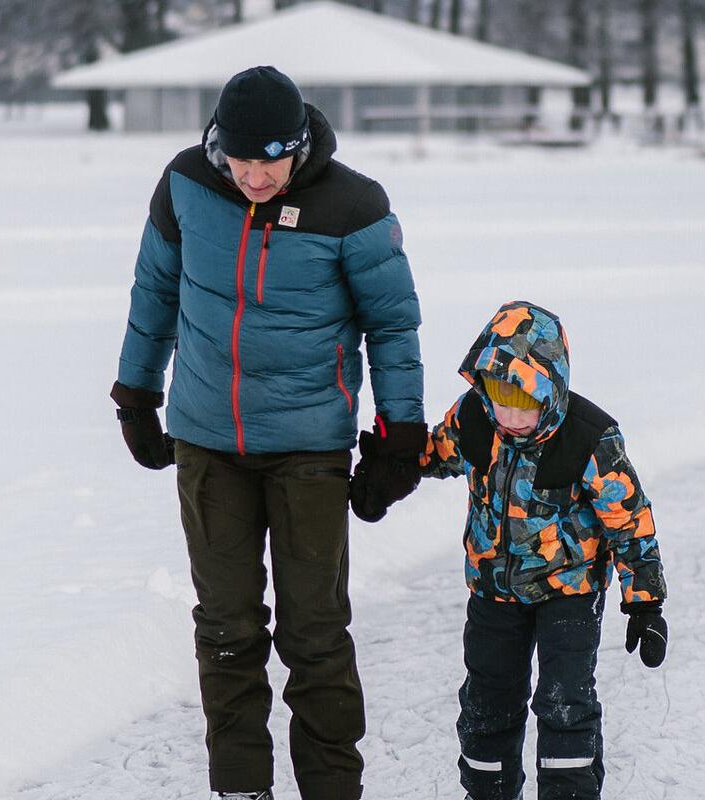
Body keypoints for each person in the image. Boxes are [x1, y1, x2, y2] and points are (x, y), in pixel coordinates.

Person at [109, 65, 428, 800]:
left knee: (314, 634)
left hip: (309, 448)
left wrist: (400, 435)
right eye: (242, 158)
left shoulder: (353, 205)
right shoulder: (188, 184)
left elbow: (392, 324)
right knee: (226, 628)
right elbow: (154, 290)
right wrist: (136, 394)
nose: (255, 175)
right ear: (220, 145)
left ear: (301, 145)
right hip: (207, 442)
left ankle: (330, 788)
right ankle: (242, 787)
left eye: (272, 159)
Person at [413, 301, 669, 800]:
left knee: (565, 702)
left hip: (568, 592)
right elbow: (439, 451)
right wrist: (396, 465)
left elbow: (630, 520)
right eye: (498, 397)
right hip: (493, 589)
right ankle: (487, 792)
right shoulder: (477, 417)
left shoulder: (589, 437)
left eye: (523, 402)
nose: (509, 416)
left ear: (549, 389)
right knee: (488, 699)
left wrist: (645, 602)